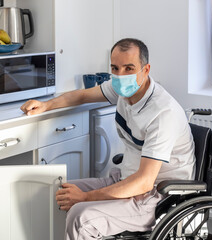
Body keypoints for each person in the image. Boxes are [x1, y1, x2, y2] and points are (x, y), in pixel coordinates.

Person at [20, 38, 195, 240]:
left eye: (129, 68)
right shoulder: (123, 88)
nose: (120, 75)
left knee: (81, 217)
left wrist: (85, 198)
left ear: (146, 70)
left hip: (157, 197)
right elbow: (81, 96)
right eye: (115, 68)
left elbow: (145, 182)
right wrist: (46, 105)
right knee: (58, 193)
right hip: (126, 180)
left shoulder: (163, 113)